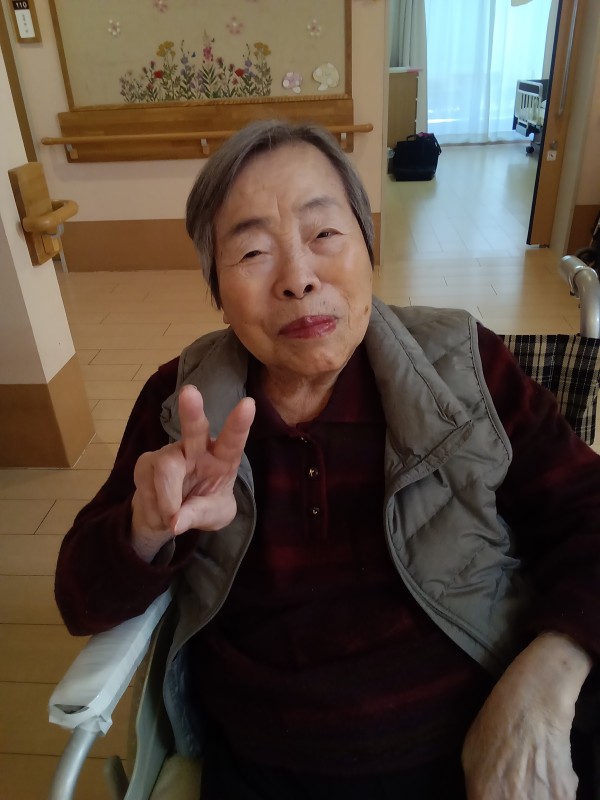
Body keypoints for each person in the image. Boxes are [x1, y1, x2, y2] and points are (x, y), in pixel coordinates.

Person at [55, 120, 600, 800]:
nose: (298, 279)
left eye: (324, 234)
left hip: (489, 750)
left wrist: (547, 675)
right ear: (216, 289)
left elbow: (588, 513)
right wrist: (144, 529)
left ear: (368, 247)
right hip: (268, 773)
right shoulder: (182, 406)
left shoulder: (465, 368)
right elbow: (80, 599)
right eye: (252, 251)